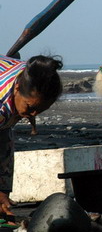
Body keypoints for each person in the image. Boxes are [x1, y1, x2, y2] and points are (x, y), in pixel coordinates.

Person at [0, 55, 63, 216]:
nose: (33, 114)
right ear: (16, 89)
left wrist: (3, 190)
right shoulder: (2, 107)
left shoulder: (33, 75)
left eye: (40, 110)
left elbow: (5, 143)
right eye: (30, 107)